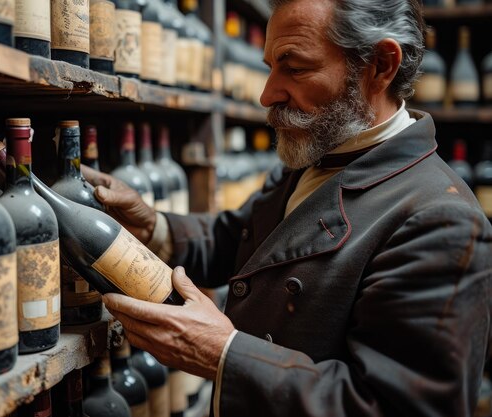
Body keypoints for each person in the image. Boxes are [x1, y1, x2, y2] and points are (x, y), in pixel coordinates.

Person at [83, 0, 492, 415]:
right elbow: (245, 241)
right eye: (270, 67)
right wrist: (152, 225)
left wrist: (224, 354)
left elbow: (399, 407)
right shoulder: (322, 151)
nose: (267, 94)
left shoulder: (440, 220)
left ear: (380, 66)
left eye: (294, 68)